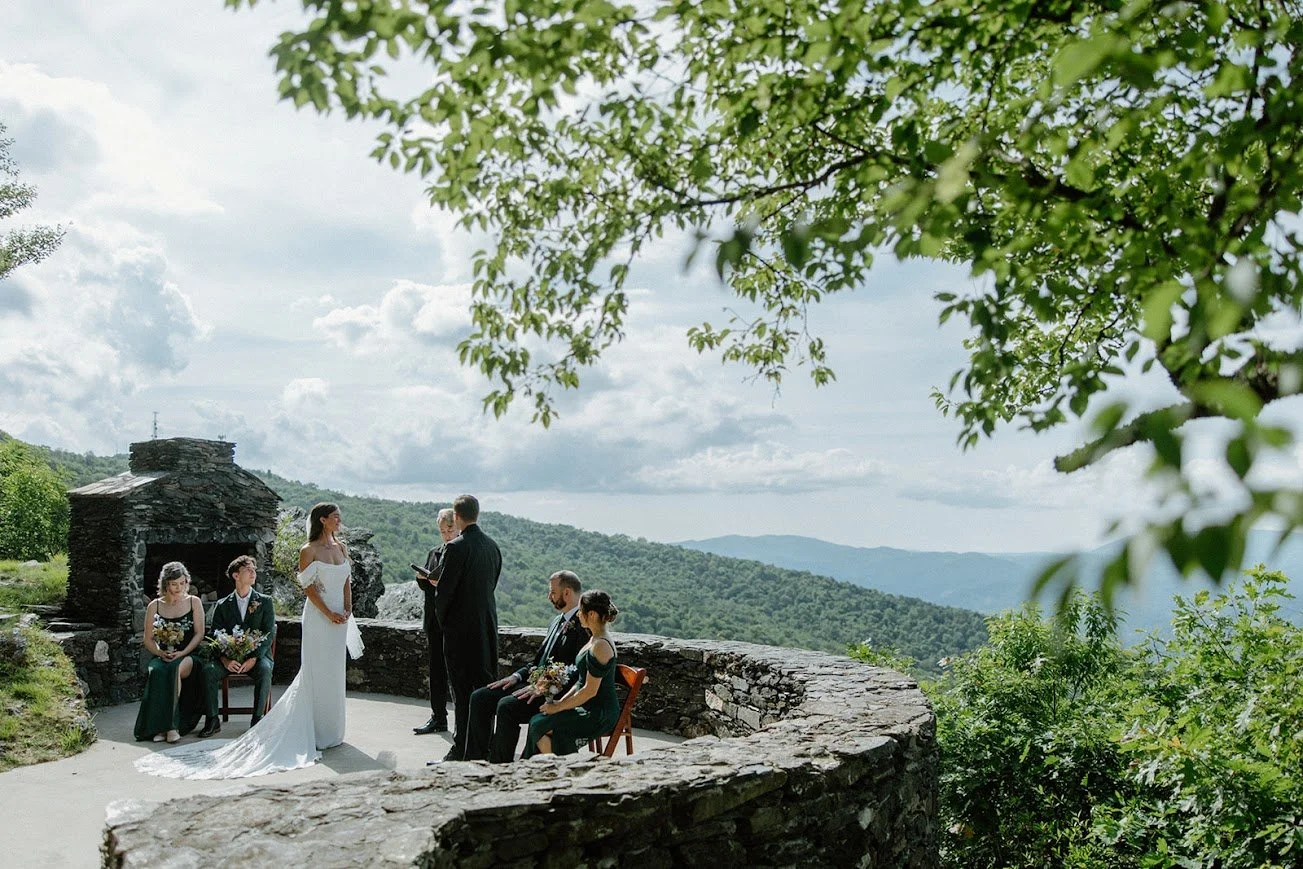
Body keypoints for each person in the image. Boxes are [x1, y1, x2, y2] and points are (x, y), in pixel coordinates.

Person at [135, 503, 364, 779]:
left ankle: (331, 729)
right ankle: (297, 726)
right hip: (320, 618)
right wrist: (328, 612)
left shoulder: (341, 548)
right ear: (323, 520)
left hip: (340, 619)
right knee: (317, 672)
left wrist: (347, 609)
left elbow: (346, 580)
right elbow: (308, 588)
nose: (340, 520)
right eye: (336, 516)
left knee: (334, 673)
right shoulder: (308, 550)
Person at [464, 570, 589, 762]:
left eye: (552, 592)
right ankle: (475, 760)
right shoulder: (556, 621)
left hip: (555, 694)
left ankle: (500, 766)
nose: (549, 597)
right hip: (533, 685)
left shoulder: (583, 627)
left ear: (567, 593)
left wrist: (542, 687)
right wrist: (516, 677)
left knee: (507, 707)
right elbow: (537, 662)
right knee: (480, 697)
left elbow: (577, 671)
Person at [433, 494, 502, 762]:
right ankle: (483, 747)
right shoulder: (493, 547)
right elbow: (491, 585)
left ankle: (460, 748)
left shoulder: (455, 548)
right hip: (486, 628)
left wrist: (445, 624)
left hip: (460, 633)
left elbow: (444, 594)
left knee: (462, 693)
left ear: (457, 518)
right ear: (478, 514)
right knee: (485, 688)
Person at [523, 590, 621, 759]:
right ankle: (555, 765)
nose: (578, 615)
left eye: (580, 611)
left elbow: (590, 690)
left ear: (591, 614)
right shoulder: (594, 638)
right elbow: (580, 682)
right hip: (588, 705)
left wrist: (558, 708)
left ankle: (560, 767)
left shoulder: (601, 645)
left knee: (539, 725)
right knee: (539, 721)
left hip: (598, 713)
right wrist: (561, 702)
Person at [197, 555, 277, 738]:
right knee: (208, 670)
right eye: (248, 570)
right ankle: (212, 720)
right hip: (228, 658)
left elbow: (268, 633)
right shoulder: (223, 605)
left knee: (265, 669)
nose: (253, 573)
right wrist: (225, 660)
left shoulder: (265, 602)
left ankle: (257, 719)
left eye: (254, 570)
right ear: (235, 575)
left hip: (256, 657)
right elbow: (215, 636)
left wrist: (254, 657)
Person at [133, 562, 206, 743]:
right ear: (166, 584)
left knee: (174, 670)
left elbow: (199, 633)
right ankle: (160, 728)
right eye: (174, 584)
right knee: (157, 670)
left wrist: (182, 653)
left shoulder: (193, 602)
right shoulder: (154, 606)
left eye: (182, 583)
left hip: (189, 656)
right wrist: (159, 654)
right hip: (163, 655)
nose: (178, 588)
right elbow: (148, 639)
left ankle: (171, 727)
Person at [412, 507, 456, 735]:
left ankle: (462, 722)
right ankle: (438, 717)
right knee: (436, 671)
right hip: (434, 620)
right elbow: (426, 587)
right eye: (442, 531)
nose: (446, 535)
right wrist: (423, 578)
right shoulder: (434, 552)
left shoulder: (461, 552)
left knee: (457, 672)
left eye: (450, 529)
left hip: (455, 622)